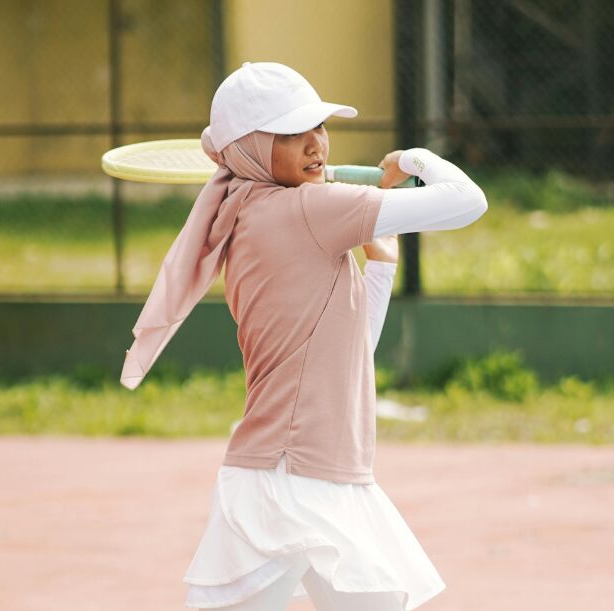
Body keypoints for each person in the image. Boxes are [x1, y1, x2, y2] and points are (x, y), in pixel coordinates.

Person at [120, 62, 488, 610]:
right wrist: (415, 160)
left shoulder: (249, 210)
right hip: (289, 479)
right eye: (292, 133)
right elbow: (467, 201)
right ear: (249, 149)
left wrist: (379, 263)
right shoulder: (309, 209)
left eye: (319, 127)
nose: (316, 143)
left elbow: (350, 354)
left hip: (311, 475)